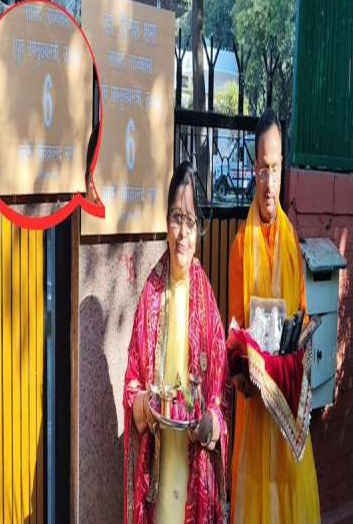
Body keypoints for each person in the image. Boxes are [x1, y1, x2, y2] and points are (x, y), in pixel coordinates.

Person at [227, 108, 320, 523]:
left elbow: (301, 322)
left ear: (284, 167)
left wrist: (294, 362)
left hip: (287, 417)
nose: (269, 182)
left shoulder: (292, 244)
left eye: (276, 168)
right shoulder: (239, 247)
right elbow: (234, 336)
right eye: (263, 170)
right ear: (253, 171)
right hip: (254, 416)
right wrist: (246, 374)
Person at [123, 161, 228, 523]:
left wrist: (211, 424)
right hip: (158, 465)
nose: (182, 233)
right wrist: (144, 406)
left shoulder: (208, 305)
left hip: (193, 467)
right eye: (176, 218)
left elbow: (220, 398)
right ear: (166, 222)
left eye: (190, 222)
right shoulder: (150, 295)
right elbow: (132, 383)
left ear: (199, 229)